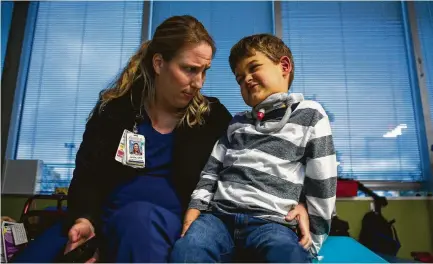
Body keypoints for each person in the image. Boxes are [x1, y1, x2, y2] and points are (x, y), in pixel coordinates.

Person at [12, 16, 311, 263]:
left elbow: (258, 159)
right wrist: (85, 220)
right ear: (159, 64)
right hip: (104, 217)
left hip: (164, 223)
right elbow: (87, 178)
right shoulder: (114, 113)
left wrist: (299, 203)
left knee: (139, 221)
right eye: (190, 70)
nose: (198, 83)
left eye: (204, 71)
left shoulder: (212, 116)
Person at [170, 34, 337, 263]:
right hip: (219, 219)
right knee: (187, 251)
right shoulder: (237, 123)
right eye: (239, 78)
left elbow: (322, 182)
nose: (246, 79)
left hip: (273, 223)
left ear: (284, 66)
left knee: (288, 256)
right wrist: (195, 208)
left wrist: (314, 241)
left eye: (254, 67)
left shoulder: (309, 115)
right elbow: (211, 170)